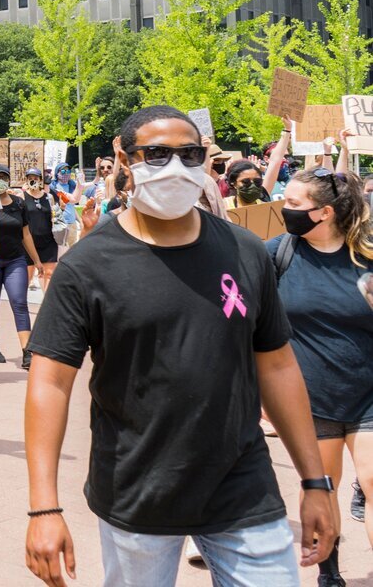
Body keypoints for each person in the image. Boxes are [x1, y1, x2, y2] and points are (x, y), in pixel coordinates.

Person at [24, 105, 336, 587]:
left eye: (189, 154)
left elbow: (276, 368)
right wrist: (43, 507)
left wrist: (315, 482)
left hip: (243, 486)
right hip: (136, 491)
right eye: (156, 154)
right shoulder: (87, 266)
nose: (174, 167)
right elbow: (50, 383)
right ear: (124, 159)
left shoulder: (245, 250)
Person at [270, 167, 373, 587]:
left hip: (368, 393)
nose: (284, 209)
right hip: (310, 398)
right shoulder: (276, 254)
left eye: (294, 204)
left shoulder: (366, 256)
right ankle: (328, 574)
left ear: (325, 212)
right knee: (321, 487)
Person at [0, 165, 43, 370]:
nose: (0, 180)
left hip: (15, 261)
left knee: (19, 303)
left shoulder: (18, 203)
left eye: (4, 177)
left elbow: (26, 235)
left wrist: (36, 260)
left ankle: (27, 352)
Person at [18, 167, 61, 292]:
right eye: (30, 179)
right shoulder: (22, 197)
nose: (33, 181)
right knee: (27, 276)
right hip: (28, 243)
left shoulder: (49, 197)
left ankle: (46, 307)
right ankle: (21, 307)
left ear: (40, 180)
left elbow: (55, 215)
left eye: (35, 178)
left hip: (48, 242)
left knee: (49, 274)